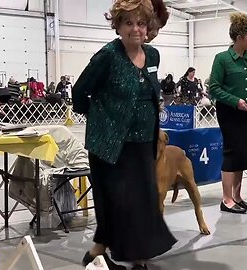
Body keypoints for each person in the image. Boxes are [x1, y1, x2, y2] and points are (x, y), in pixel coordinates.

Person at [72, 0, 176, 269]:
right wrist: (99, 119)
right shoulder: (108, 55)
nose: (136, 29)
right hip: (109, 142)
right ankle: (101, 250)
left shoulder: (152, 56)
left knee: (143, 200)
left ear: (148, 27)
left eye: (141, 23)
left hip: (143, 142)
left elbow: (150, 92)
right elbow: (80, 91)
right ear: (117, 25)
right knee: (115, 199)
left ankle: (131, 254)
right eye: (128, 23)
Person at [209, 12, 247, 214]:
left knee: (242, 152)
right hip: (229, 111)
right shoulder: (222, 59)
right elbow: (213, 88)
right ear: (239, 38)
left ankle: (237, 196)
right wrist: (235, 101)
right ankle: (226, 199)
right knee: (231, 152)